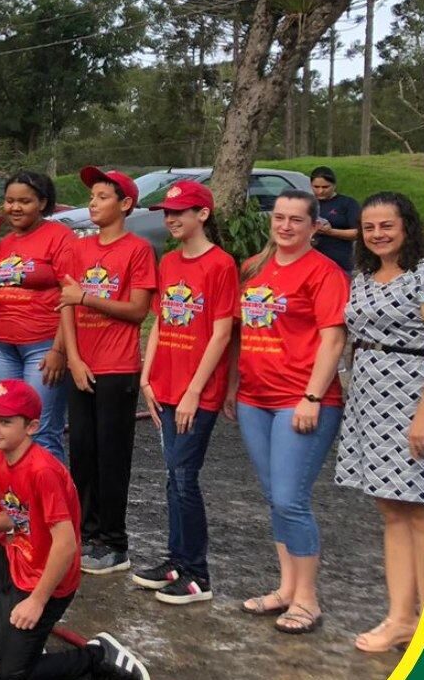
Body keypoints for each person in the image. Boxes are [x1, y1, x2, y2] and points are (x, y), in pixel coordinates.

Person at [0, 380, 150, 680]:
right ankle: (8, 647)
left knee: (10, 677)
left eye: (5, 421)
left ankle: (97, 656)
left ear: (31, 427)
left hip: (47, 580)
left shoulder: (42, 470)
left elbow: (67, 544)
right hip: (15, 559)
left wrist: (37, 600)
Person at [231, 188, 348, 635]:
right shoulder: (254, 269)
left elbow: (333, 338)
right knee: (274, 496)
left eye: (296, 219)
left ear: (314, 225)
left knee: (290, 499)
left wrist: (313, 397)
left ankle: (307, 599)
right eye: (279, 217)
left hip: (300, 401)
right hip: (255, 400)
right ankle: (285, 588)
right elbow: (241, 333)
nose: (285, 226)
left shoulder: (325, 273)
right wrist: (233, 387)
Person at [134, 181, 236, 606]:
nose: (172, 219)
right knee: (173, 478)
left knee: (184, 477)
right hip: (166, 384)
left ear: (203, 215)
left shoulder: (221, 265)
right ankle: (176, 561)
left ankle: (197, 574)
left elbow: (222, 331)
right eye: (167, 213)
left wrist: (195, 389)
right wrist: (146, 375)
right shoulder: (170, 261)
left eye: (181, 212)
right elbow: (161, 321)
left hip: (198, 390)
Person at [335, 191, 424, 653]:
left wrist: (423, 416)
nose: (377, 234)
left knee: (420, 515)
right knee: (392, 510)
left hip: (413, 400)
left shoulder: (423, 277)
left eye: (387, 225)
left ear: (406, 225)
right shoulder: (363, 276)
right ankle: (401, 617)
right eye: (369, 228)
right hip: (371, 402)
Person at [58, 168, 156, 577]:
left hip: (118, 367)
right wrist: (74, 359)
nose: (93, 204)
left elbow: (137, 310)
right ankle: (85, 533)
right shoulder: (79, 250)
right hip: (82, 366)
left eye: (101, 196)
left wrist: (87, 298)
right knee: (81, 453)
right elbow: (66, 304)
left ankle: (114, 543)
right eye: (92, 197)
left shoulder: (138, 250)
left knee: (111, 457)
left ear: (125, 204)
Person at [0, 170, 76, 462]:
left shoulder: (59, 237)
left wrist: (59, 350)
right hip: (5, 347)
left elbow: (71, 297)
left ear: (42, 202)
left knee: (41, 430)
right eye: (10, 201)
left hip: (43, 345)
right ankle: (18, 503)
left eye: (24, 201)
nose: (15, 207)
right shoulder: (6, 243)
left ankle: (54, 506)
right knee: (9, 428)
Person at [309, 166, 361, 273]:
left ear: (334, 185)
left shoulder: (347, 203)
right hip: (311, 262)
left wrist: (330, 232)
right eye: (316, 187)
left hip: (338, 263)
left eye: (325, 187)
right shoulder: (307, 203)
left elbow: (358, 233)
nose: (320, 191)